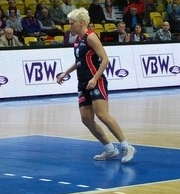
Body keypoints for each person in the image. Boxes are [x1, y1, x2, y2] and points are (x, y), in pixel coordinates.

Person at [55, 8, 136, 163]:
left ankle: (127, 146)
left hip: (96, 80)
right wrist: (66, 72)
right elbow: (80, 61)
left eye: (72, 24)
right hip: (83, 82)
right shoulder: (77, 40)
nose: (69, 26)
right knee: (86, 119)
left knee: (102, 115)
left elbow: (105, 59)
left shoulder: (91, 37)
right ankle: (109, 148)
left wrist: (95, 78)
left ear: (81, 22)